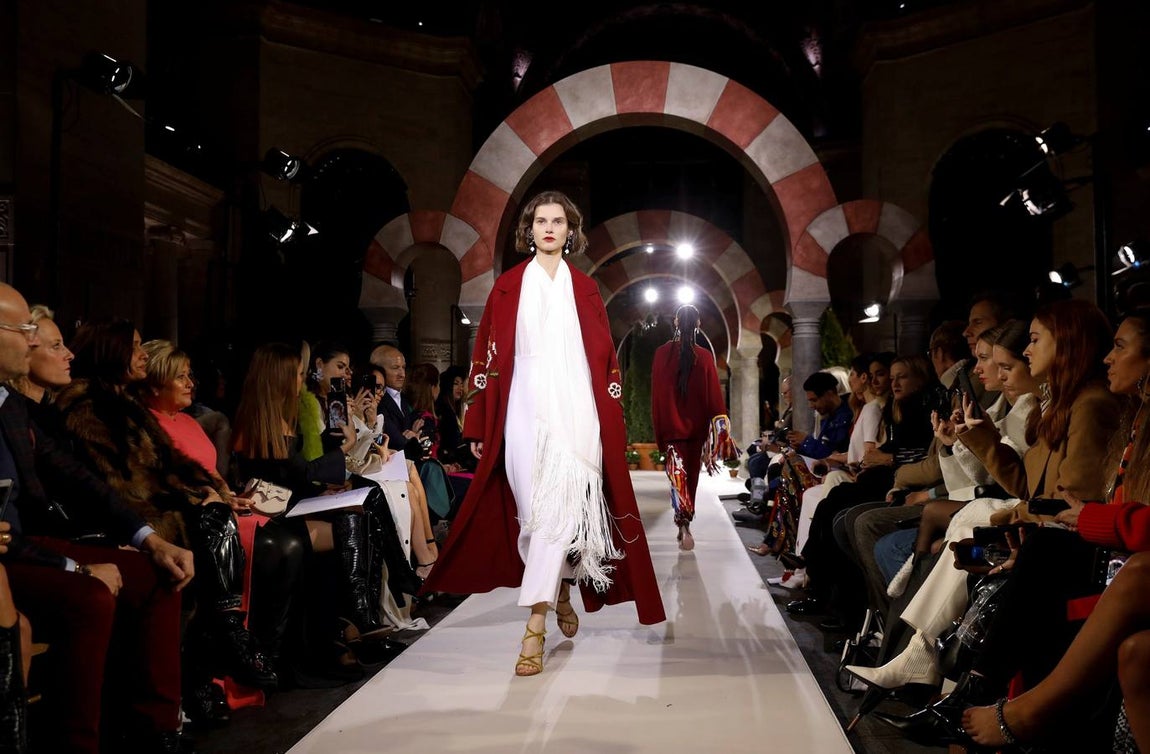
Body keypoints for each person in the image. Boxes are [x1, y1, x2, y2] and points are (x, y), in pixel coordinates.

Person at [421, 190, 665, 677]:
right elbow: (484, 362)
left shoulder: (586, 289)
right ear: (528, 230)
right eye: (540, 221)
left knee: (554, 513)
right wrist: (478, 422)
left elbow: (605, 361)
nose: (549, 228)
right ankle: (563, 589)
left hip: (576, 411)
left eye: (557, 221)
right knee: (534, 515)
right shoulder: (508, 287)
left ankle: (533, 629)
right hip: (523, 410)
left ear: (570, 231)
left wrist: (609, 421)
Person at [0, 284, 196, 752]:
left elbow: (82, 482)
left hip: (31, 544)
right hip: (20, 553)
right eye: (26, 330)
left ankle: (156, 730)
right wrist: (77, 567)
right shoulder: (70, 404)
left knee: (159, 569)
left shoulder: (9, 407)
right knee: (89, 595)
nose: (32, 342)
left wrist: (150, 538)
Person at [959, 310, 1150, 749]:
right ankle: (961, 681)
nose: (1108, 358)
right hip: (1089, 544)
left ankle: (989, 696)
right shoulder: (1096, 412)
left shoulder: (1093, 406)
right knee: (970, 543)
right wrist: (982, 438)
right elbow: (1039, 492)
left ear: (1066, 347)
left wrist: (1020, 522)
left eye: (1033, 341)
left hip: (1096, 550)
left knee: (1025, 549)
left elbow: (1069, 502)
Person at [55, 319, 278, 691]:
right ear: (112, 352)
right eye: (135, 346)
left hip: (154, 510)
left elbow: (171, 465)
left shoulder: (122, 403)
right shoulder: (87, 406)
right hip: (126, 519)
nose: (142, 355)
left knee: (220, 520)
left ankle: (209, 662)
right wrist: (198, 497)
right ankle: (219, 647)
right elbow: (125, 485)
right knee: (210, 527)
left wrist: (209, 491)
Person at [650, 303, 735, 551]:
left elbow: (657, 398)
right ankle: (685, 523)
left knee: (678, 479)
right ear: (698, 325)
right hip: (695, 434)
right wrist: (720, 438)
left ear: (676, 322)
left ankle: (683, 524)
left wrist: (659, 435)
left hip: (671, 433)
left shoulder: (661, 354)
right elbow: (715, 402)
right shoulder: (706, 357)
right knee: (691, 480)